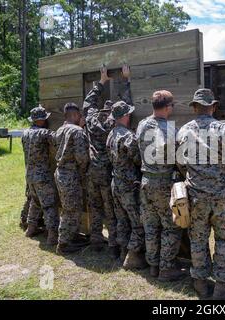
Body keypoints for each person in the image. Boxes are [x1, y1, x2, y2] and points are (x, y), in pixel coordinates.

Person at [176, 88, 225, 299]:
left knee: (197, 240)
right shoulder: (224, 129)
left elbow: (179, 163)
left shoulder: (183, 131)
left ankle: (200, 283)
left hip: (196, 196)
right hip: (222, 196)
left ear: (195, 107)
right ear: (213, 107)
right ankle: (222, 286)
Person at [82, 64, 132, 257]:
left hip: (92, 170)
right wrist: (126, 80)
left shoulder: (92, 119)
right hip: (108, 173)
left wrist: (101, 82)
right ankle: (113, 246)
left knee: (94, 206)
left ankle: (95, 239)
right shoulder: (113, 122)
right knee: (110, 210)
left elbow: (89, 102)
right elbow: (126, 104)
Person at [136, 90, 185, 281]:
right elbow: (177, 157)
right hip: (163, 182)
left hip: (145, 181)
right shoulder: (168, 129)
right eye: (172, 106)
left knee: (150, 226)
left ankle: (153, 265)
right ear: (167, 107)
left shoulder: (142, 124)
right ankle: (166, 269)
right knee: (171, 226)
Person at [106, 101, 147, 269]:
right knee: (138, 222)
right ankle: (132, 256)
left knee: (122, 220)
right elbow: (137, 159)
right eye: (128, 114)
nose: (130, 116)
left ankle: (122, 252)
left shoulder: (111, 134)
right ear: (124, 116)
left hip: (116, 182)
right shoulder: (128, 136)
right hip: (129, 185)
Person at [54, 102, 90, 254]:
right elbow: (82, 157)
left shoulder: (60, 129)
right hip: (71, 175)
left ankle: (72, 236)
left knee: (69, 207)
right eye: (79, 115)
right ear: (75, 115)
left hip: (61, 173)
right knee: (71, 210)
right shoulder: (77, 132)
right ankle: (63, 244)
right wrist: (84, 172)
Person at [21, 106, 59, 245]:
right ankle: (52, 235)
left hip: (30, 175)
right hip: (42, 176)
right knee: (49, 205)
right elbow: (59, 139)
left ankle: (31, 228)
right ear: (42, 120)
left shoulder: (25, 133)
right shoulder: (44, 133)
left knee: (35, 202)